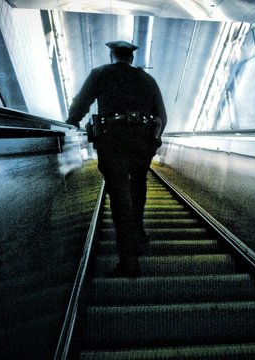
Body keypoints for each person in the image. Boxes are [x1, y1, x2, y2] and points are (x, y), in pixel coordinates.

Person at [66, 40, 167, 277]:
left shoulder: (100, 73)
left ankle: (129, 261)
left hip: (112, 142)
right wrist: (154, 141)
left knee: (120, 197)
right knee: (138, 186)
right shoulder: (148, 80)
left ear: (112, 56)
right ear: (131, 59)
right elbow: (161, 115)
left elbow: (81, 104)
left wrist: (71, 124)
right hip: (142, 142)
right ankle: (139, 232)